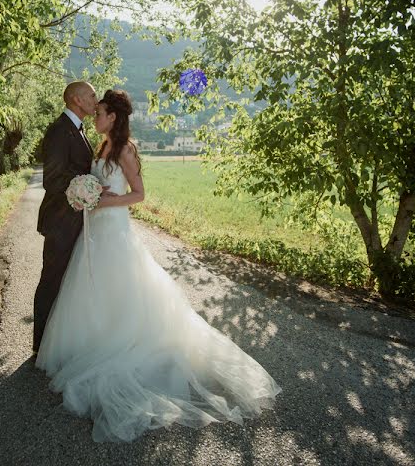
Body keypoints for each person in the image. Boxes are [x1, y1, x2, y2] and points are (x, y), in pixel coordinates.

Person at [36, 89, 281, 442]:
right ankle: (91, 341)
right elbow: (91, 181)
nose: (95, 116)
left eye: (100, 112)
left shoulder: (124, 150)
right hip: (94, 232)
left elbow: (139, 194)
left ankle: (118, 343)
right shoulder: (102, 146)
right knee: (91, 289)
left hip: (114, 229)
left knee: (119, 288)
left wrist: (104, 202)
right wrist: (88, 193)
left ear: (113, 118)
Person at [34, 81, 107, 355]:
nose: (95, 99)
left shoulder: (78, 129)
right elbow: (52, 179)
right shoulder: (58, 131)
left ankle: (59, 341)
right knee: (52, 280)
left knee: (68, 281)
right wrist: (86, 186)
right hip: (60, 221)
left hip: (75, 219)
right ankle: (40, 346)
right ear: (76, 99)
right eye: (91, 95)